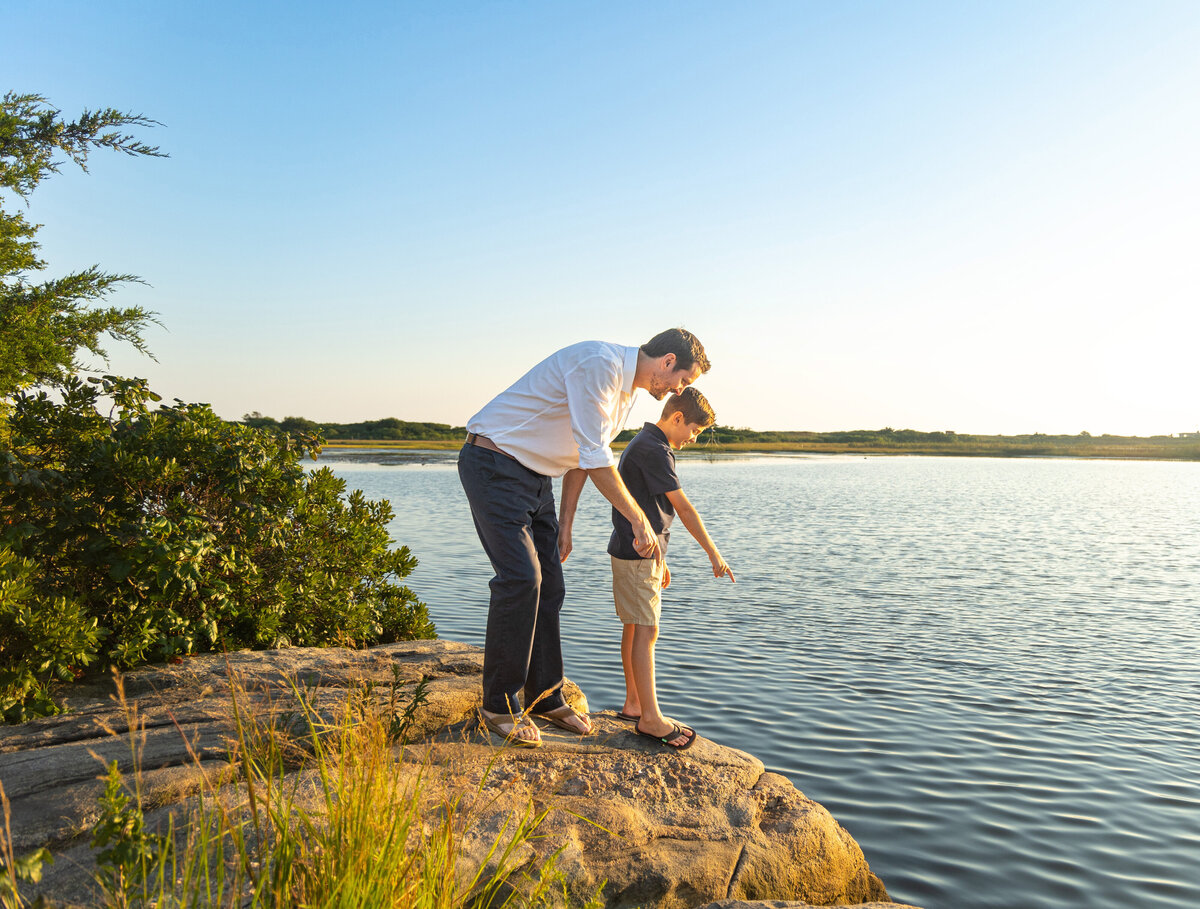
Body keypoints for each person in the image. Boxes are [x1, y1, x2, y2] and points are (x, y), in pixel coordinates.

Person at [458, 328, 710, 747]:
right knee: (521, 580)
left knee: (551, 584)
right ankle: (498, 706)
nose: (678, 390)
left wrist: (566, 522)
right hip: (494, 463)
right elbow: (595, 456)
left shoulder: (626, 393)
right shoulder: (600, 365)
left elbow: (583, 453)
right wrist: (638, 519)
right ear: (667, 361)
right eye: (683, 380)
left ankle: (544, 696)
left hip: (535, 479)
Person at [609, 387, 734, 750]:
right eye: (693, 430)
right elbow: (683, 507)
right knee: (647, 632)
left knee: (634, 627)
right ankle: (650, 718)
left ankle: (635, 704)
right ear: (677, 418)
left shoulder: (645, 442)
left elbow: (648, 508)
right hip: (637, 553)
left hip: (636, 552)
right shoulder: (655, 449)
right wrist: (714, 553)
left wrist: (660, 559)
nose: (692, 439)